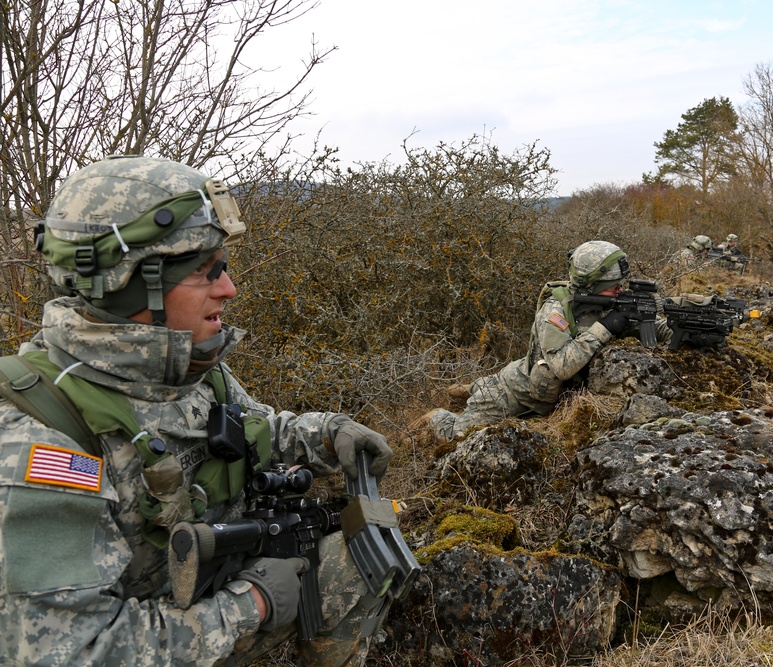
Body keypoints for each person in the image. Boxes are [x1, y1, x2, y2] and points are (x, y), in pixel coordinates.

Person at [0, 156, 395, 666]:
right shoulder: (39, 440)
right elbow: (73, 653)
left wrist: (323, 434)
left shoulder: (186, 367)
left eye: (224, 267)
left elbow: (254, 427)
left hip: (201, 600)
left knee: (363, 551)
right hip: (160, 636)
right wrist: (248, 605)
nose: (228, 289)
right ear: (133, 283)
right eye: (205, 272)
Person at [417, 240, 673, 442]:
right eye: (613, 285)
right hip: (517, 392)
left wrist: (683, 330)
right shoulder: (555, 311)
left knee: (483, 387)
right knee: (455, 436)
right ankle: (437, 415)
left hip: (542, 387)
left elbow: (657, 329)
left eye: (621, 284)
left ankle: (471, 388)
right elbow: (561, 366)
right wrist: (605, 328)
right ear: (591, 285)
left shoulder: (610, 303)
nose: (620, 290)